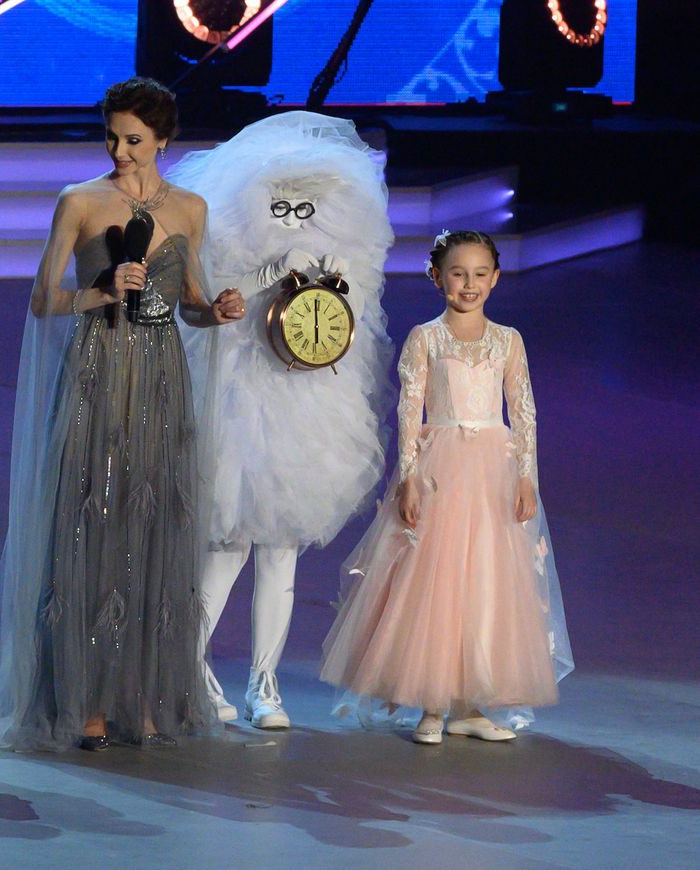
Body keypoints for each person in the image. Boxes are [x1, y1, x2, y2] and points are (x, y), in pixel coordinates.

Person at [0, 77, 244, 753]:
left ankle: (138, 697)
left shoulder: (192, 209)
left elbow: (190, 299)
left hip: (163, 380)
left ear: (164, 140)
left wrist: (217, 310)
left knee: (154, 529)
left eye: (134, 140)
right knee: (92, 523)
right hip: (98, 371)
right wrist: (101, 289)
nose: (120, 151)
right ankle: (82, 700)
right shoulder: (79, 201)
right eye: (111, 136)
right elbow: (41, 301)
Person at [167, 112, 394, 729]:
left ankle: (263, 685)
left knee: (283, 551)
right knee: (228, 544)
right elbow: (220, 298)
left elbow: (354, 309)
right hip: (246, 396)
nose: (298, 208)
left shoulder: (345, 227)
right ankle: (186, 666)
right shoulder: (234, 220)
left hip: (311, 399)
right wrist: (273, 273)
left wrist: (333, 280)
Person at [320, 230, 573, 744]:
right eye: (458, 273)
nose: (469, 284)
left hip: (493, 473)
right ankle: (431, 703)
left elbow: (524, 414)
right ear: (437, 277)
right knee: (435, 581)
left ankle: (467, 705)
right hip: (441, 471)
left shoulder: (508, 339)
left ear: (496, 278)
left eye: (481, 274)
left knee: (484, 581)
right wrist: (410, 477)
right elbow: (408, 411)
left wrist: (528, 477)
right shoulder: (425, 337)